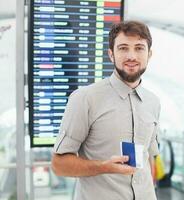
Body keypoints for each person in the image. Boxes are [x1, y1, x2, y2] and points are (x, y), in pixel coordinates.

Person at [51, 20, 161, 200]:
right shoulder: (85, 98)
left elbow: (149, 156)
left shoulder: (153, 102)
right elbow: (59, 164)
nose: (131, 56)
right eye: (123, 48)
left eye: (139, 48)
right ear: (111, 54)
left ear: (149, 54)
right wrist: (104, 166)